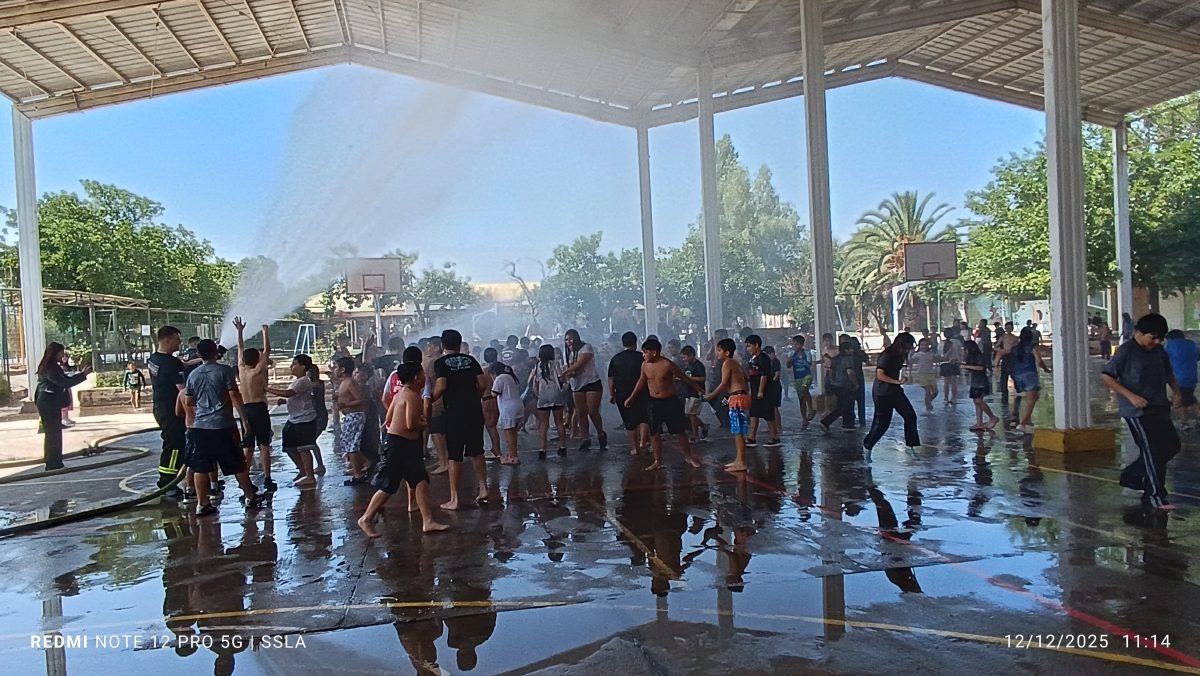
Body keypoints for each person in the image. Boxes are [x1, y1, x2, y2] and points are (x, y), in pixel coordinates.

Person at [357, 362, 449, 537]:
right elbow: (410, 424)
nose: (424, 377)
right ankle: (366, 518)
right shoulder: (412, 397)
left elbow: (389, 415)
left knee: (420, 481)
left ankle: (428, 521)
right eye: (422, 374)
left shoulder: (402, 393)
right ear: (416, 378)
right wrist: (423, 422)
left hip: (404, 446)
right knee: (388, 485)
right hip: (399, 446)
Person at [1103, 314, 1182, 512]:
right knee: (1153, 450)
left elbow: (1168, 373)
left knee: (1171, 445)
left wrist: (1177, 391)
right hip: (1137, 411)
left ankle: (1131, 475)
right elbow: (1107, 376)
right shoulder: (1126, 351)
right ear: (1139, 333)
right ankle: (1155, 496)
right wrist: (1131, 397)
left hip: (1159, 406)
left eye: (1159, 339)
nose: (1155, 342)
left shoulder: (1158, 351)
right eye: (1152, 337)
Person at [183, 339, 266, 516]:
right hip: (222, 425)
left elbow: (189, 401)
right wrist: (244, 419)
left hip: (200, 427)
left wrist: (203, 408)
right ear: (216, 353)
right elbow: (234, 395)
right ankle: (250, 496)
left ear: (199, 355)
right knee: (237, 463)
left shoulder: (193, 375)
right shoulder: (224, 371)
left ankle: (202, 503)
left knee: (201, 466)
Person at [431, 329, 491, 510]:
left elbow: (441, 386)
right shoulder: (471, 360)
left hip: (454, 411)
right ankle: (483, 488)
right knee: (477, 450)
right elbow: (482, 383)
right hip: (473, 410)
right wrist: (474, 397)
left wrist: (431, 399)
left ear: (443, 345)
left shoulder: (440, 363)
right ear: (459, 343)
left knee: (455, 454)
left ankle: (455, 498)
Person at [624, 338, 703, 471]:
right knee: (654, 432)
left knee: (679, 431)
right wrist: (631, 397)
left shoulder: (667, 364)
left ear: (654, 352)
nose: (643, 355)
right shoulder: (645, 365)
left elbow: (684, 378)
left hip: (671, 401)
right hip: (654, 402)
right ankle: (657, 460)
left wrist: (699, 389)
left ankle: (688, 456)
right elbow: (641, 381)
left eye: (645, 352)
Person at [862, 332, 921, 460]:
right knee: (882, 423)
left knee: (910, 416)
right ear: (901, 344)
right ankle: (868, 446)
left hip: (895, 391)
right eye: (907, 346)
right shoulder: (887, 355)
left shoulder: (900, 355)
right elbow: (880, 375)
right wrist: (897, 381)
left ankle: (910, 447)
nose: (908, 349)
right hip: (882, 393)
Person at [234, 317, 276, 492]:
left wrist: (240, 331)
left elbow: (240, 349)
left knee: (248, 447)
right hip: (259, 408)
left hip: (246, 409)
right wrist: (265, 332)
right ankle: (267, 478)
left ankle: (244, 479)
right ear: (257, 359)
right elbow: (267, 351)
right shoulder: (257, 371)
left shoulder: (242, 370)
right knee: (264, 446)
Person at [34, 343, 91, 471]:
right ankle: (53, 463)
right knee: (53, 432)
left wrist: (80, 374)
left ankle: (54, 461)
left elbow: (65, 379)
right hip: (47, 401)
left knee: (54, 432)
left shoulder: (54, 367)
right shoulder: (49, 368)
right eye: (61, 353)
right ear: (54, 354)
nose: (63, 356)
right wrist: (83, 375)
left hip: (51, 401)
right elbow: (64, 382)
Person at [266, 355, 320, 488]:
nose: (292, 367)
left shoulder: (303, 381)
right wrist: (284, 401)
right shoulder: (297, 381)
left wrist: (267, 389)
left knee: (304, 448)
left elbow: (289, 393)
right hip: (294, 418)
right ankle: (302, 470)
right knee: (289, 446)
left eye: (294, 364)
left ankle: (310, 476)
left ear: (303, 367)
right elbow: (295, 396)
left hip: (305, 419)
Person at [149, 326, 188, 492]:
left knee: (175, 442)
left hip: (160, 407)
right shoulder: (172, 363)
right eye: (176, 339)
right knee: (174, 445)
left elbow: (181, 365)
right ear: (167, 340)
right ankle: (167, 482)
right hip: (173, 410)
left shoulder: (154, 359)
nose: (179, 342)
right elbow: (184, 390)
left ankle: (173, 479)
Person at [706, 338, 751, 472]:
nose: (717, 353)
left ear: (726, 352)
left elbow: (724, 383)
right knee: (739, 431)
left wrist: (711, 395)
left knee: (739, 432)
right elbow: (746, 377)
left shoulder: (728, 363)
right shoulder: (735, 363)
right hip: (740, 396)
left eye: (719, 350)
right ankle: (739, 459)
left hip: (737, 398)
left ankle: (741, 462)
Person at [996, 327, 1050, 434]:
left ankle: (1028, 421)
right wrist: (1046, 369)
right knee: (1031, 400)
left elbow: (1000, 353)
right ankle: (1022, 423)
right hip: (1029, 375)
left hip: (1017, 375)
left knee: (1035, 396)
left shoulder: (1015, 348)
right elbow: (1039, 361)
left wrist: (996, 366)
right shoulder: (1032, 347)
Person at [560, 329, 607, 451]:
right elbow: (569, 367)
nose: (569, 342)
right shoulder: (567, 353)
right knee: (581, 412)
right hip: (577, 384)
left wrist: (565, 373)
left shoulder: (586, 347)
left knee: (592, 411)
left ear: (576, 338)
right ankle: (585, 439)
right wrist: (568, 373)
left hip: (592, 382)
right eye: (566, 339)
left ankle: (601, 434)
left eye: (571, 338)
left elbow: (581, 363)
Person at [609, 331, 649, 454]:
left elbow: (611, 379)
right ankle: (643, 441)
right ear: (635, 343)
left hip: (622, 393)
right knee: (644, 417)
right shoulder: (642, 357)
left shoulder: (616, 359)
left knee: (629, 421)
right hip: (642, 392)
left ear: (623, 344)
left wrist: (612, 394)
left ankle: (634, 447)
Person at [334, 356, 370, 484]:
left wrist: (347, 404)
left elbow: (361, 399)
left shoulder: (350, 382)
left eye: (336, 367)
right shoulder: (344, 382)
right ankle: (364, 463)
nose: (335, 370)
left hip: (355, 416)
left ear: (342, 369)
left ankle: (358, 474)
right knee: (348, 444)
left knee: (352, 447)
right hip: (349, 417)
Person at [532, 344, 569, 459]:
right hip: (556, 394)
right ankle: (562, 447)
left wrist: (538, 394)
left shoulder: (538, 365)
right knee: (559, 422)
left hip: (543, 395)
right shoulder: (555, 363)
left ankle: (542, 449)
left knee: (543, 424)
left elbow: (535, 383)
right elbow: (560, 378)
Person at [744, 335, 781, 447]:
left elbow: (764, 375)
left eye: (749, 346)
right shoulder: (753, 359)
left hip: (765, 391)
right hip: (755, 391)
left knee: (768, 414)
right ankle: (751, 437)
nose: (748, 349)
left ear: (757, 345)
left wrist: (761, 390)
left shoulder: (763, 358)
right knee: (753, 413)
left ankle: (774, 437)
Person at [819, 340, 859, 433]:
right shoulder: (848, 359)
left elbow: (831, 369)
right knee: (844, 406)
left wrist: (832, 381)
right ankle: (826, 422)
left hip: (835, 385)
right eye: (851, 349)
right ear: (846, 350)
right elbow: (850, 372)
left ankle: (848, 424)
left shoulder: (837, 358)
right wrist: (856, 383)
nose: (852, 350)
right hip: (844, 385)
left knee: (844, 404)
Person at [1164, 329, 1199, 429]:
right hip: (1192, 377)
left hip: (1178, 378)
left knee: (1179, 400)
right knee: (1188, 398)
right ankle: (1187, 421)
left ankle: (1184, 423)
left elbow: (1163, 359)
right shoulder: (1191, 344)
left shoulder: (1169, 345)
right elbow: (1197, 356)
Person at [491, 360, 524, 465]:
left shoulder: (500, 378)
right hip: (517, 406)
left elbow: (494, 393)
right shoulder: (510, 376)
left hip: (508, 408)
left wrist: (493, 380)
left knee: (509, 433)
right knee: (513, 432)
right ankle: (513, 454)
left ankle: (513, 457)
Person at [963, 341, 1000, 431]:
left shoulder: (979, 356)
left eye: (966, 349)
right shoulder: (970, 357)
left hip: (981, 382)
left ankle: (992, 417)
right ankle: (979, 422)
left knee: (978, 401)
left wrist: (967, 367)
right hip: (975, 382)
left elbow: (981, 368)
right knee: (977, 402)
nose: (965, 351)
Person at [679, 345, 709, 443]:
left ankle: (695, 434)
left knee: (692, 414)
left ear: (691, 355)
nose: (683, 359)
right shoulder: (687, 365)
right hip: (688, 391)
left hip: (696, 392)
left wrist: (690, 379)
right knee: (689, 413)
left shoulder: (698, 365)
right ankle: (703, 426)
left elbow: (703, 378)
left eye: (685, 357)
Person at [787, 335, 816, 428]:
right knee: (801, 399)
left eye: (797, 344)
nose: (794, 346)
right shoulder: (791, 354)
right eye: (794, 344)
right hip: (797, 378)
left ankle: (811, 408)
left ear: (801, 344)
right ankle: (804, 419)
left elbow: (809, 364)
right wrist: (791, 358)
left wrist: (801, 360)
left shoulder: (807, 353)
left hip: (806, 376)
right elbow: (788, 365)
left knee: (804, 389)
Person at [480, 348, 503, 460]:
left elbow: (481, 386)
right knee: (492, 426)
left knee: (490, 426)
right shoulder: (501, 368)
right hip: (499, 399)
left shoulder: (484, 371)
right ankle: (496, 449)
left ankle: (497, 450)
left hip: (487, 399)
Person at [307, 364, 328, 475]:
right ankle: (318, 465)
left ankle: (320, 465)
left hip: (319, 415)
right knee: (311, 441)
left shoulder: (316, 384)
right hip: (318, 415)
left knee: (311, 441)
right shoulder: (314, 384)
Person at [909, 338, 940, 411]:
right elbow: (911, 361)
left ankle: (928, 402)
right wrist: (910, 354)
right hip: (922, 374)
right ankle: (928, 406)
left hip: (931, 374)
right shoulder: (917, 354)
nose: (924, 346)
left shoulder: (931, 354)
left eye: (926, 345)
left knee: (935, 392)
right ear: (919, 346)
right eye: (922, 345)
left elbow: (937, 360)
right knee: (928, 391)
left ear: (929, 346)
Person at [994, 321, 1019, 408]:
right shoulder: (1003, 337)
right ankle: (1004, 391)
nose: (1008, 330)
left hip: (1012, 357)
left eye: (1009, 328)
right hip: (1005, 356)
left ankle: (1018, 388)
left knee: (1014, 374)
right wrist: (1000, 351)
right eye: (1006, 328)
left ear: (1012, 328)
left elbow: (1018, 347)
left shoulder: (1015, 338)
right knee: (1004, 375)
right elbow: (995, 347)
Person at [940, 328, 962, 404]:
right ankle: (954, 398)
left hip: (945, 363)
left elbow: (941, 355)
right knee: (954, 381)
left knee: (946, 382)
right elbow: (960, 353)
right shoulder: (957, 342)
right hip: (954, 363)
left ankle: (945, 398)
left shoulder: (942, 343)